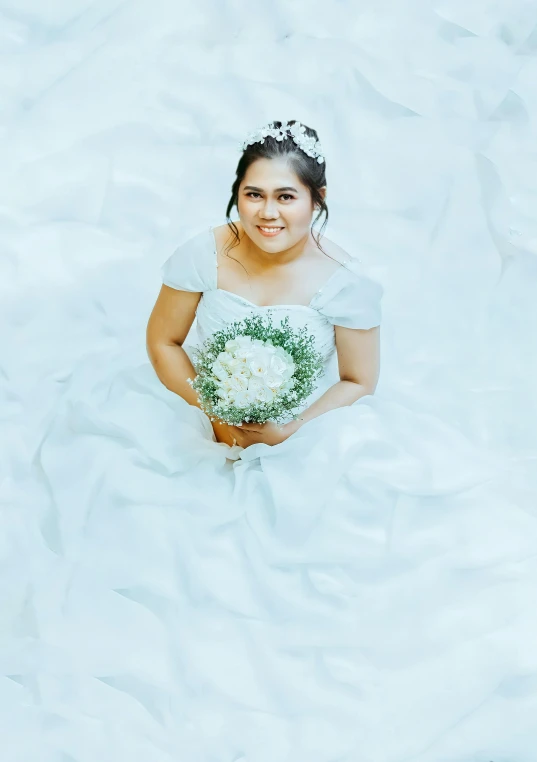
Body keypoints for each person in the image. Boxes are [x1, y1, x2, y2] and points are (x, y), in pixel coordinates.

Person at [33, 121, 537, 760]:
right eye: (253, 195)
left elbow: (358, 381)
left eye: (285, 197)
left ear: (316, 200)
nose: (267, 213)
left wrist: (291, 428)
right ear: (236, 196)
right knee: (138, 528)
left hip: (303, 431)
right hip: (196, 413)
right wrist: (209, 404)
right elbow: (163, 343)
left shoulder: (346, 282)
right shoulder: (204, 253)